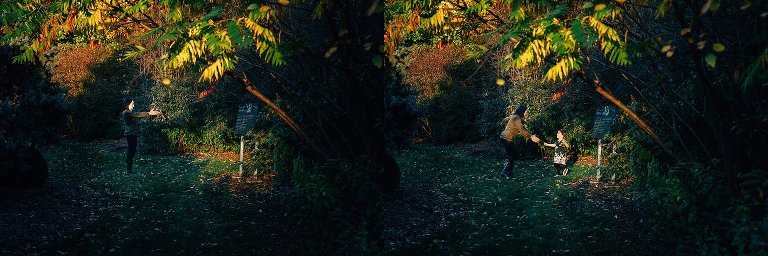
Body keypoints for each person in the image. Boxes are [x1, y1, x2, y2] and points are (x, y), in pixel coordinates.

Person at [121, 98, 160, 175]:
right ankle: (128, 171)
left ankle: (129, 170)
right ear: (127, 104)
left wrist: (150, 114)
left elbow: (137, 118)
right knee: (131, 152)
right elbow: (137, 114)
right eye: (132, 104)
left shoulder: (130, 113)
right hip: (130, 135)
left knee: (132, 151)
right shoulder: (126, 112)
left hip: (133, 134)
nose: (133, 105)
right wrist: (149, 113)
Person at [499, 105, 540, 178]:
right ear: (522, 111)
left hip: (507, 138)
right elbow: (522, 130)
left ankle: (509, 172)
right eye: (526, 111)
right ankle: (505, 172)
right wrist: (531, 136)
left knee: (514, 155)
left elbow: (522, 127)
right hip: (506, 138)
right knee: (512, 156)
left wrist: (531, 135)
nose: (527, 113)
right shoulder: (516, 118)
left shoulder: (516, 117)